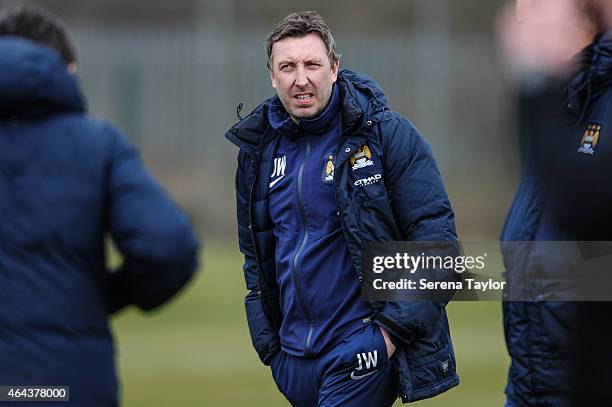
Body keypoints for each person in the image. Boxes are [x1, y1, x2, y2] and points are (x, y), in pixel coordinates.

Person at [227, 11, 459, 406]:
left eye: (312, 64)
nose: (301, 78)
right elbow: (256, 255)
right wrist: (270, 348)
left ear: (334, 68)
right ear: (271, 75)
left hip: (360, 347)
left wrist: (386, 336)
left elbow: (439, 249)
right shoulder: (259, 152)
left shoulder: (386, 135)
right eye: (287, 66)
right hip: (293, 360)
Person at [0, 5, 200, 406]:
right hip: (65, 387)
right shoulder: (98, 145)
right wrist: (108, 294)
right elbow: (169, 248)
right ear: (68, 71)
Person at [498, 0, 612, 405]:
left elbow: (578, 205)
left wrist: (536, 78)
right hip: (533, 379)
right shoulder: (571, 91)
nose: (524, 14)